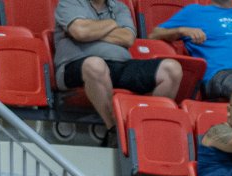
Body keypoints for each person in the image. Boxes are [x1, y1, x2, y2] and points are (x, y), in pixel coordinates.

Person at [52, 0, 180, 133]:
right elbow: (81, 32)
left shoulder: (120, 7)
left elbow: (128, 38)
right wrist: (112, 23)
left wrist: (92, 32)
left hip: (121, 64)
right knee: (95, 65)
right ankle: (114, 129)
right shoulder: (69, 3)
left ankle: (147, 129)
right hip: (76, 64)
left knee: (172, 69)